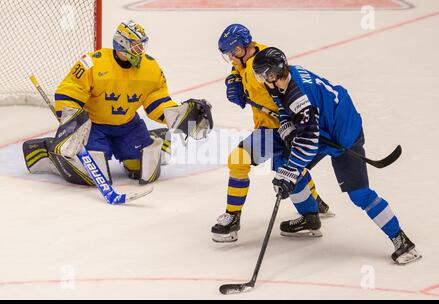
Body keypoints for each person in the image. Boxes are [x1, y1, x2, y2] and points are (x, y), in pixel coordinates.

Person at [252, 47, 420, 264]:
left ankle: (401, 239)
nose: (262, 79)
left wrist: (291, 171)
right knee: (283, 163)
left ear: (275, 72)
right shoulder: (281, 81)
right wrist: (287, 127)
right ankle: (310, 218)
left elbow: (308, 144)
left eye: (264, 74)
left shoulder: (299, 96)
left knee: (358, 193)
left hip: (343, 135)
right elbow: (283, 108)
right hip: (322, 127)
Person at [23, 19, 213, 185]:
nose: (141, 51)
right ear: (122, 43)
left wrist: (178, 115)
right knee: (90, 172)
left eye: (142, 46)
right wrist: (71, 120)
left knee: (142, 167)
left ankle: (156, 137)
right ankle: (48, 151)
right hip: (94, 126)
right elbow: (71, 90)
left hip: (128, 126)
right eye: (137, 46)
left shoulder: (151, 68)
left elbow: (157, 100)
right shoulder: (92, 63)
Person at [211, 24, 331, 243]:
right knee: (287, 168)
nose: (232, 57)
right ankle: (314, 205)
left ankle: (309, 215)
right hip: (266, 127)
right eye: (229, 54)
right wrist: (233, 79)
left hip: (281, 129)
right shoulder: (245, 58)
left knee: (276, 167)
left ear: (247, 45)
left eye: (235, 51)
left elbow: (289, 93)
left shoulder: (264, 65)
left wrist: (296, 128)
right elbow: (238, 68)